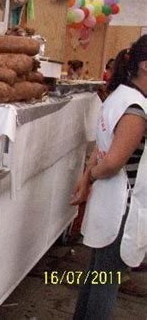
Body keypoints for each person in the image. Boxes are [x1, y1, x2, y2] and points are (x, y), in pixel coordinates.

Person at [70, 35, 147, 319]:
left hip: (109, 199)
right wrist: (90, 175)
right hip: (121, 206)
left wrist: (88, 177)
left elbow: (102, 151)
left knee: (98, 274)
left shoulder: (119, 96)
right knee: (107, 280)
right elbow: (112, 162)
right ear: (145, 66)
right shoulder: (135, 109)